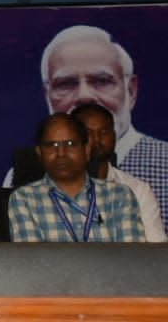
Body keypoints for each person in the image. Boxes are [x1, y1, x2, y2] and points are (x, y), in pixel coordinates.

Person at [10, 25, 168, 230]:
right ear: (47, 94)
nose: (85, 95)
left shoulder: (155, 170)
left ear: (131, 90)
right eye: (66, 83)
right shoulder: (22, 184)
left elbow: (149, 253)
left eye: (102, 81)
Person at [9, 114, 146, 242]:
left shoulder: (119, 196)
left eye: (70, 144)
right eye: (52, 145)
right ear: (39, 153)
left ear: (86, 150)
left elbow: (131, 260)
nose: (61, 153)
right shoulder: (24, 199)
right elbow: (32, 262)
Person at [71, 102, 166, 242]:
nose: (97, 140)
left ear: (114, 136)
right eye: (88, 133)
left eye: (104, 132)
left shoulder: (137, 190)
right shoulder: (54, 188)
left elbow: (156, 248)